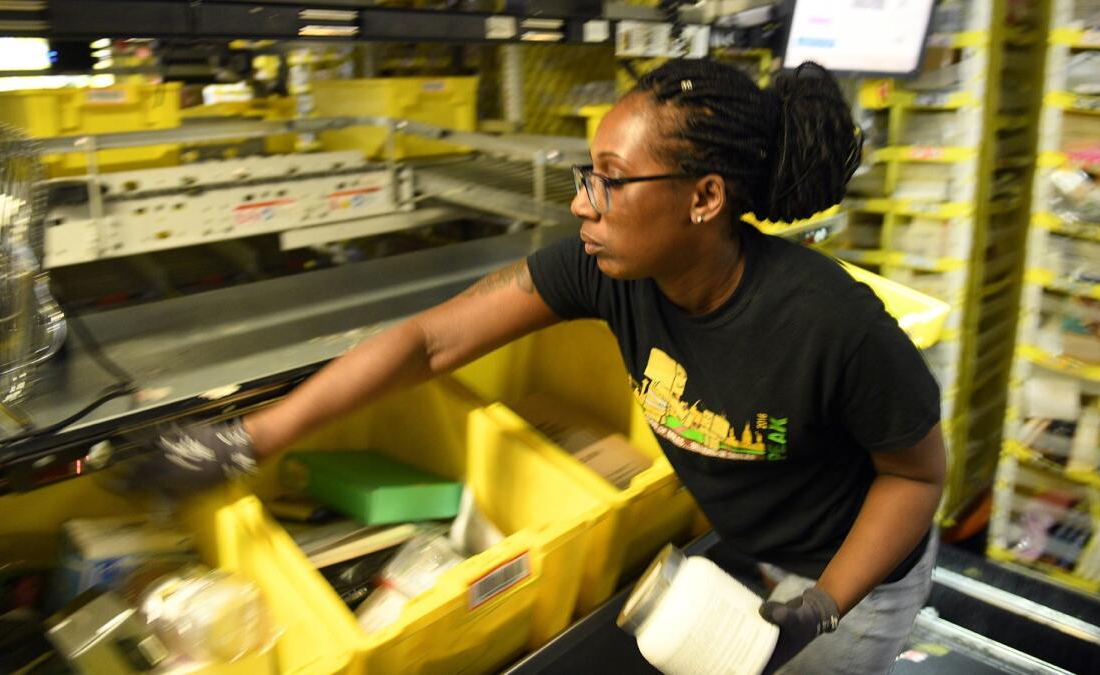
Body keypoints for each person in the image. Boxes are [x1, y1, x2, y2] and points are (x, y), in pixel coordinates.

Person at [126, 59, 945, 674]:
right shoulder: (605, 270)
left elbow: (914, 479)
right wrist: (244, 438)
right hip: (743, 551)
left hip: (855, 580)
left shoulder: (831, 323)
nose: (582, 203)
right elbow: (429, 343)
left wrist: (823, 607)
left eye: (613, 182)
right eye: (590, 174)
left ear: (705, 198)